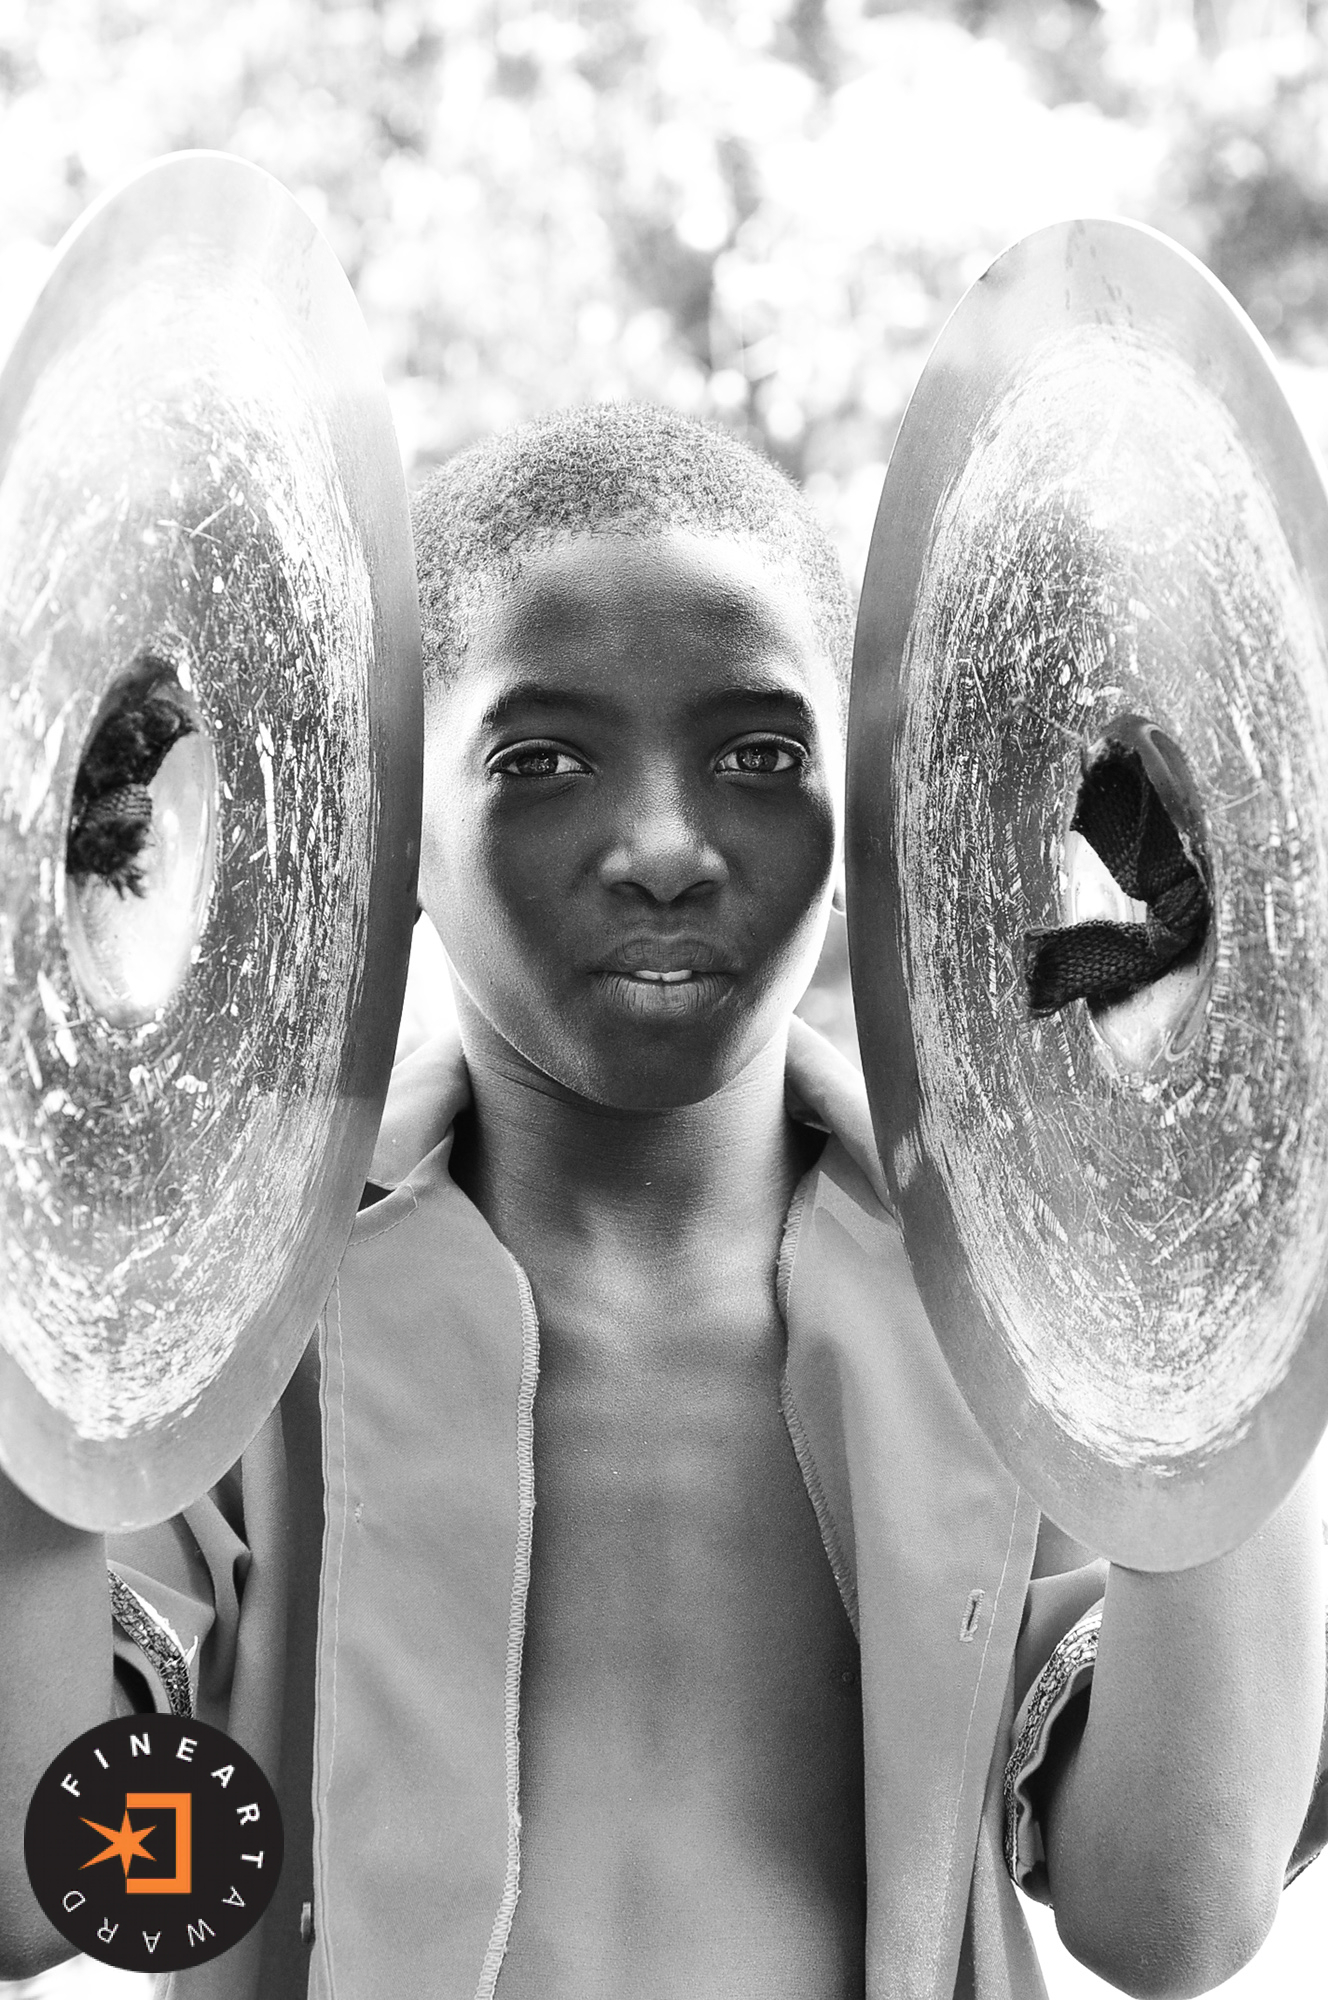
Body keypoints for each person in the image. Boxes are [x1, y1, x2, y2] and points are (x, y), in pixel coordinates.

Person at [1, 403, 1325, 2000]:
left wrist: (1212, 1205)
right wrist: (55, 1226)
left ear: (866, 819)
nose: (662, 849)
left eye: (760, 755)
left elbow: (1174, 1919)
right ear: (389, 826)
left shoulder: (1030, 1307)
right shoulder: (209, 1306)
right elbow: (36, 1896)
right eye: (540, 760)